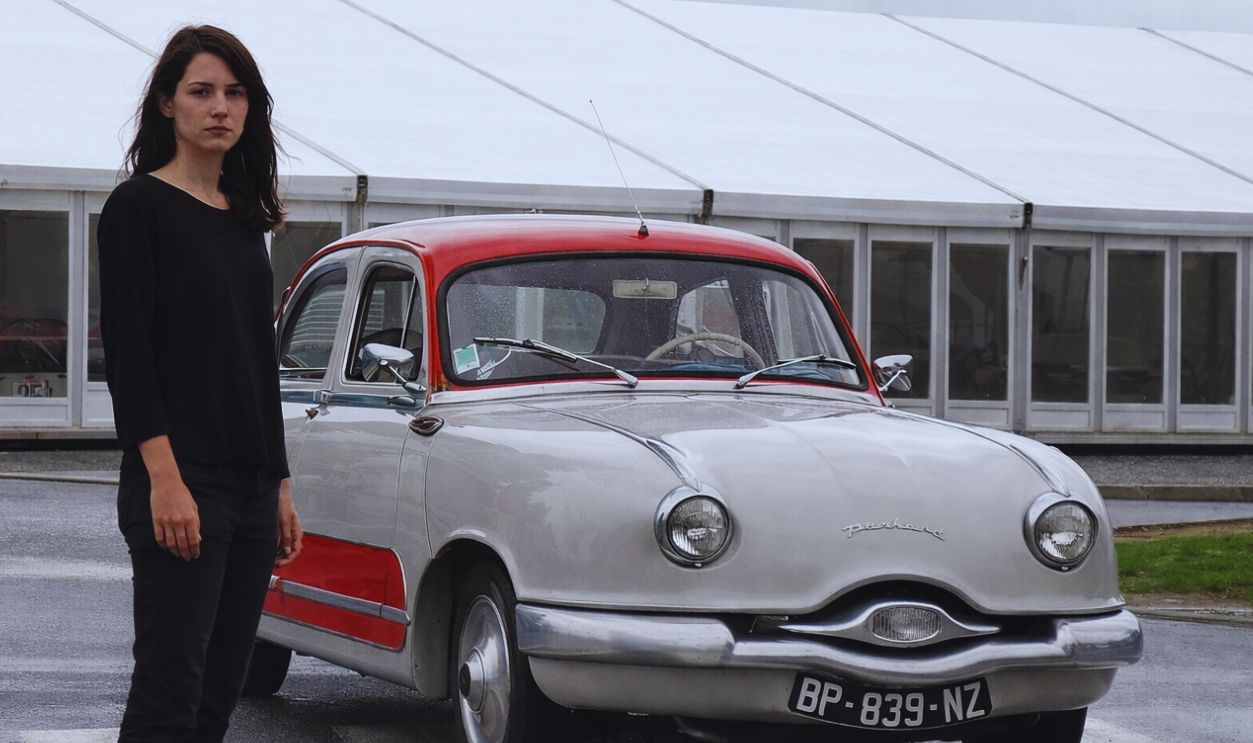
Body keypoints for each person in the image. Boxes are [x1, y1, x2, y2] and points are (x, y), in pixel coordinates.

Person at [96, 25, 303, 742]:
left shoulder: (244, 219)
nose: (221, 106)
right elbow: (130, 357)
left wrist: (277, 483)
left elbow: (256, 362)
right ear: (165, 106)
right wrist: (164, 478)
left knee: (219, 694)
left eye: (235, 92)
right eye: (202, 91)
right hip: (180, 480)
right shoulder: (137, 209)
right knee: (168, 693)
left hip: (248, 489)